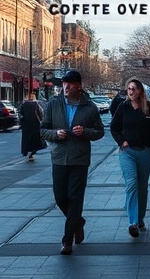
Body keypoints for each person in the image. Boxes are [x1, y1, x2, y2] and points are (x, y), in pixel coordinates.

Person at [40, 69, 104, 255]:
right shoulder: (53, 104)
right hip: (59, 157)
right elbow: (43, 129)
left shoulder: (89, 107)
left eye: (69, 84)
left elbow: (99, 131)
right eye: (64, 84)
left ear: (78, 86)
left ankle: (67, 240)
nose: (65, 87)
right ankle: (78, 221)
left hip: (79, 158)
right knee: (60, 197)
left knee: (75, 198)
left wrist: (84, 132)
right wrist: (54, 134)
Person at [110, 78, 150, 237]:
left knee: (142, 186)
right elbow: (114, 128)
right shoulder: (123, 107)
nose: (130, 91)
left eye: (133, 88)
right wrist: (122, 142)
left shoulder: (149, 108)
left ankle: (140, 218)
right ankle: (133, 222)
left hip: (145, 152)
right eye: (128, 89)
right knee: (132, 183)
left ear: (140, 90)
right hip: (127, 152)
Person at [19, 90, 45, 161]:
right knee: (34, 139)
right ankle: (33, 153)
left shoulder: (23, 105)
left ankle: (25, 151)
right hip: (35, 124)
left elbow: (21, 113)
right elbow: (41, 113)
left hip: (26, 125)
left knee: (26, 139)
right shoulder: (36, 104)